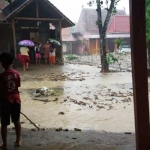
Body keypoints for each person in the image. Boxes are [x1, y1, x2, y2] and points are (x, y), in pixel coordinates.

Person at [0, 52, 21, 150]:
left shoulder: (1, 76)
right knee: (16, 121)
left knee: (4, 123)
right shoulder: (16, 74)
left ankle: (4, 144)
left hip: (5, 101)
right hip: (16, 100)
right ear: (12, 62)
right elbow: (17, 87)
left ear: (1, 63)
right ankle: (18, 140)